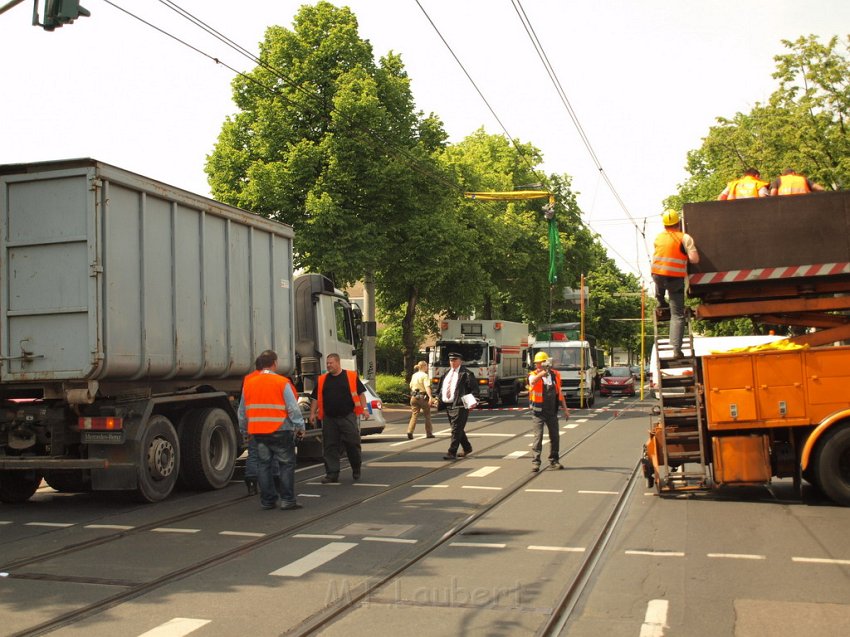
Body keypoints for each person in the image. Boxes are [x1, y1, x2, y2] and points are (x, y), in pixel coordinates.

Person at [239, 350, 305, 510]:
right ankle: (287, 500)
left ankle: (268, 501)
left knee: (264, 465)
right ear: (274, 363)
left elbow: (242, 412)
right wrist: (300, 426)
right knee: (286, 464)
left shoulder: (250, 383)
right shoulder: (281, 382)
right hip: (280, 430)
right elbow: (293, 408)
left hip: (258, 432)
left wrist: (244, 431)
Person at [309, 353, 369, 483]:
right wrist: (312, 413)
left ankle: (356, 467)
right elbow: (315, 398)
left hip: (347, 416)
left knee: (352, 443)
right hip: (329, 418)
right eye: (327, 363)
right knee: (330, 446)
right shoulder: (322, 379)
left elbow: (361, 394)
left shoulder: (351, 376)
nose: (328, 365)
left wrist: (364, 409)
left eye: (331, 363)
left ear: (338, 363)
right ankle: (332, 474)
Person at [652, 209, 700, 359]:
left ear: (665, 225)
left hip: (658, 277)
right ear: (679, 223)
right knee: (677, 315)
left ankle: (660, 301)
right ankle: (676, 350)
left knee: (659, 275)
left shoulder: (658, 238)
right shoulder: (685, 238)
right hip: (675, 280)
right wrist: (686, 253)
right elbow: (694, 259)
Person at [528, 352, 570, 471]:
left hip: (552, 411)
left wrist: (565, 409)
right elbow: (532, 381)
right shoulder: (533, 374)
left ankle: (554, 460)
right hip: (538, 412)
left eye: (541, 363)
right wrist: (542, 373)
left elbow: (559, 393)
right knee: (538, 437)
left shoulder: (555, 375)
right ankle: (536, 462)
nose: (539, 365)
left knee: (555, 437)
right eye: (538, 363)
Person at [434, 352, 476, 460]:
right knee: (457, 428)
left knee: (456, 429)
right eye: (451, 360)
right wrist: (437, 399)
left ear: (460, 361)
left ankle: (451, 452)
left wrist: (471, 403)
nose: (452, 362)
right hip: (448, 405)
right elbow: (440, 389)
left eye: (455, 360)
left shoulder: (466, 373)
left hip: (460, 405)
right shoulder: (446, 373)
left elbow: (474, 390)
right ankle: (467, 447)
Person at [407, 360, 434, 440]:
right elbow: (427, 387)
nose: (427, 367)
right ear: (424, 366)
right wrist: (430, 397)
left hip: (414, 396)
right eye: (426, 366)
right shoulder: (425, 376)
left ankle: (410, 431)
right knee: (427, 415)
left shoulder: (414, 375)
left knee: (414, 415)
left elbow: (411, 386)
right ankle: (429, 433)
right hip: (422, 396)